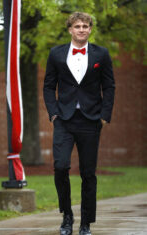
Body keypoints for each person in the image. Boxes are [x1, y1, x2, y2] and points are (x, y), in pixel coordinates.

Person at [43, 12, 115, 235]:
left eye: (85, 26)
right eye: (77, 26)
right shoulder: (56, 54)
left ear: (90, 29)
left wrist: (104, 114)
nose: (82, 29)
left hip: (90, 120)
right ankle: (67, 216)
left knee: (88, 173)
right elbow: (48, 86)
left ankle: (85, 223)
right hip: (63, 120)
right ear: (70, 30)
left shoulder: (101, 54)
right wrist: (53, 113)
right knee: (61, 166)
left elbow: (109, 86)